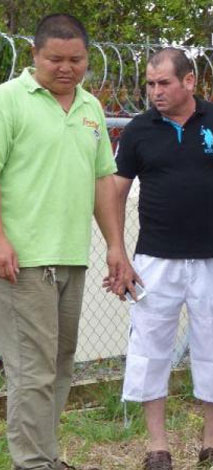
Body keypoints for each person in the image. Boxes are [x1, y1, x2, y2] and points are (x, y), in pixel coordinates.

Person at [0, 14, 137, 470]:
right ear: (33, 55)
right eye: (55, 59)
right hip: (21, 261)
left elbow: (102, 182)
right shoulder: (8, 101)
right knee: (31, 371)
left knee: (59, 366)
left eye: (76, 59)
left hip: (71, 258)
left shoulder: (90, 108)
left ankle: (46, 456)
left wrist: (115, 246)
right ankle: (33, 463)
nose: (66, 67)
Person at [114, 48, 213, 470]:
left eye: (163, 82)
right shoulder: (138, 131)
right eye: (150, 84)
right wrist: (117, 251)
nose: (155, 91)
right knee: (150, 348)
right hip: (154, 259)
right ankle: (157, 448)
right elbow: (117, 191)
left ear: (189, 82)